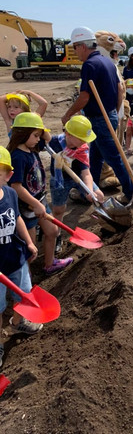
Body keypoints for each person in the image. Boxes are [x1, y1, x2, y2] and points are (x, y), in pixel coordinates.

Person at [61, 27, 133, 203]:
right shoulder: (106, 61)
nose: (75, 52)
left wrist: (68, 114)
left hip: (99, 119)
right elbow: (119, 89)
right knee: (94, 157)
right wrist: (114, 112)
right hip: (107, 115)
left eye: (75, 48)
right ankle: (89, 193)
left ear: (82, 46)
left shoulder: (90, 65)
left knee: (114, 158)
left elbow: (85, 96)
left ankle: (132, 194)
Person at [7, 112, 73, 275]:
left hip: (39, 198)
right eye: (35, 135)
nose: (39, 139)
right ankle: (26, 280)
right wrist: (35, 204)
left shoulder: (33, 147)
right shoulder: (17, 156)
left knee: (52, 231)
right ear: (22, 134)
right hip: (25, 206)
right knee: (30, 248)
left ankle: (49, 264)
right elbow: (16, 187)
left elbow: (48, 138)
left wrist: (39, 129)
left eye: (38, 135)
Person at [0, 146, 43, 367]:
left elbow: (17, 219)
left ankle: (17, 323)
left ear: (8, 175)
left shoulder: (10, 193)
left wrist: (28, 242)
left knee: (23, 294)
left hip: (15, 258)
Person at [49, 115, 104, 253]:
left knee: (99, 195)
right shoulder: (55, 142)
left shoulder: (82, 148)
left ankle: (104, 221)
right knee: (58, 210)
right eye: (81, 138)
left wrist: (90, 191)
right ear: (68, 134)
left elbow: (86, 173)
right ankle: (58, 235)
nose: (85, 142)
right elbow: (43, 136)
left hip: (79, 176)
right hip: (60, 179)